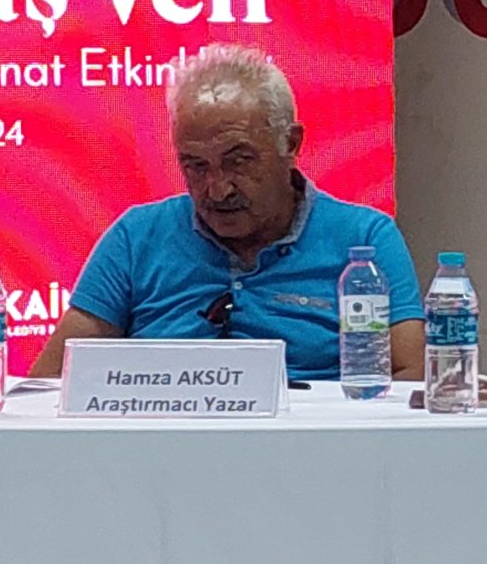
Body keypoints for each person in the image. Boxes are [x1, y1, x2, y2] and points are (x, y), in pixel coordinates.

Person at [34, 44, 424, 381]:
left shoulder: (364, 240)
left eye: (238, 161)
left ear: (290, 143)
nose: (218, 189)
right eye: (196, 166)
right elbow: (49, 384)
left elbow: (412, 376)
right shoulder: (136, 237)